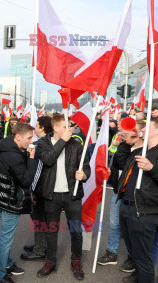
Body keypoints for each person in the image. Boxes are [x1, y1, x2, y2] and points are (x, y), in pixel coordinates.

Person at [0, 123, 38, 283]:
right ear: (18, 137)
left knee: (6, 237)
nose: (31, 141)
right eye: (29, 138)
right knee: (6, 240)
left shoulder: (5, 144)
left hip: (1, 198)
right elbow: (26, 180)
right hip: (10, 201)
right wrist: (31, 158)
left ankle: (8, 264)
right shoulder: (15, 156)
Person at [35, 114, 91, 281]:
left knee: (75, 231)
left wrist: (84, 175)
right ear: (57, 128)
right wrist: (62, 141)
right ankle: (50, 261)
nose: (70, 129)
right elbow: (48, 160)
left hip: (72, 195)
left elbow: (86, 166)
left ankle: (76, 260)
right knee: (51, 230)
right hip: (51, 195)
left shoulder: (76, 144)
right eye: (66, 126)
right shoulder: (43, 143)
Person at [97, 121, 145, 272]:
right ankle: (111, 252)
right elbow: (118, 162)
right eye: (124, 131)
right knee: (114, 223)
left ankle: (133, 257)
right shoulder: (124, 145)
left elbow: (127, 165)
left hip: (136, 195)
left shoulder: (146, 149)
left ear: (138, 132)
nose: (123, 134)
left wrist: (132, 144)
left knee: (132, 228)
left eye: (128, 132)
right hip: (119, 191)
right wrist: (124, 144)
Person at [114, 117, 158, 283]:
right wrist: (127, 143)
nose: (143, 130)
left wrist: (151, 169)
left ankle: (144, 278)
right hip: (127, 206)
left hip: (145, 211)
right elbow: (119, 162)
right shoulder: (141, 150)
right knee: (135, 251)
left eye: (148, 128)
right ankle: (139, 276)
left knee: (143, 255)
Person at [21, 115, 53, 261]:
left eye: (37, 125)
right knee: (42, 219)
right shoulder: (50, 141)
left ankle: (40, 250)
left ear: (41, 127)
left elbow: (37, 170)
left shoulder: (40, 144)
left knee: (39, 219)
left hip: (40, 188)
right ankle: (41, 245)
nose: (35, 128)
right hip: (47, 187)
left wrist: (31, 189)